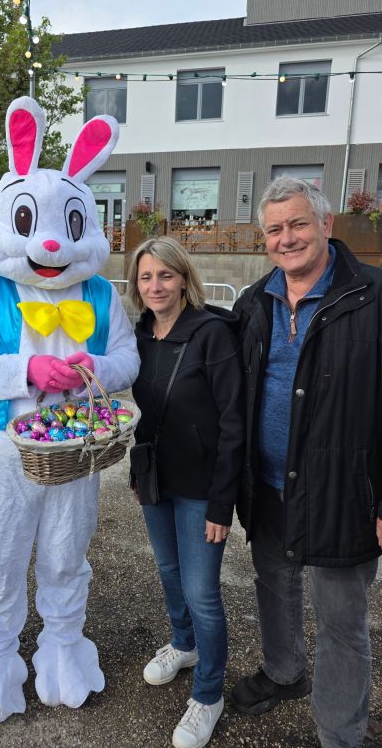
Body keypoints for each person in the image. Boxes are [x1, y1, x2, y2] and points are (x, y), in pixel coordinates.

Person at [0, 96, 139, 723]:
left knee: (66, 551)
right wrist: (26, 370)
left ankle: (62, 646)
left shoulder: (100, 293)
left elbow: (126, 360)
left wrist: (97, 371)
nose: (51, 242)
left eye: (67, 226)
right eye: (30, 222)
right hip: (7, 445)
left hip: (76, 445)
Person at [230, 177, 382, 748]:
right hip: (267, 485)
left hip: (343, 491)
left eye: (297, 224)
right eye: (275, 229)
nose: (286, 238)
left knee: (342, 621)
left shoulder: (371, 297)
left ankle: (340, 734)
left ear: (326, 225)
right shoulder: (254, 303)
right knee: (274, 585)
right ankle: (283, 670)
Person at [128, 236, 244, 748]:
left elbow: (234, 423)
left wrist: (223, 501)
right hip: (156, 477)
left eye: (165, 276)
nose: (156, 286)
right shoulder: (140, 333)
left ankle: (209, 693)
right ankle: (183, 644)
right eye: (146, 277)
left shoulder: (213, 334)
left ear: (184, 279)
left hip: (202, 487)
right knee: (169, 571)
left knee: (202, 591)